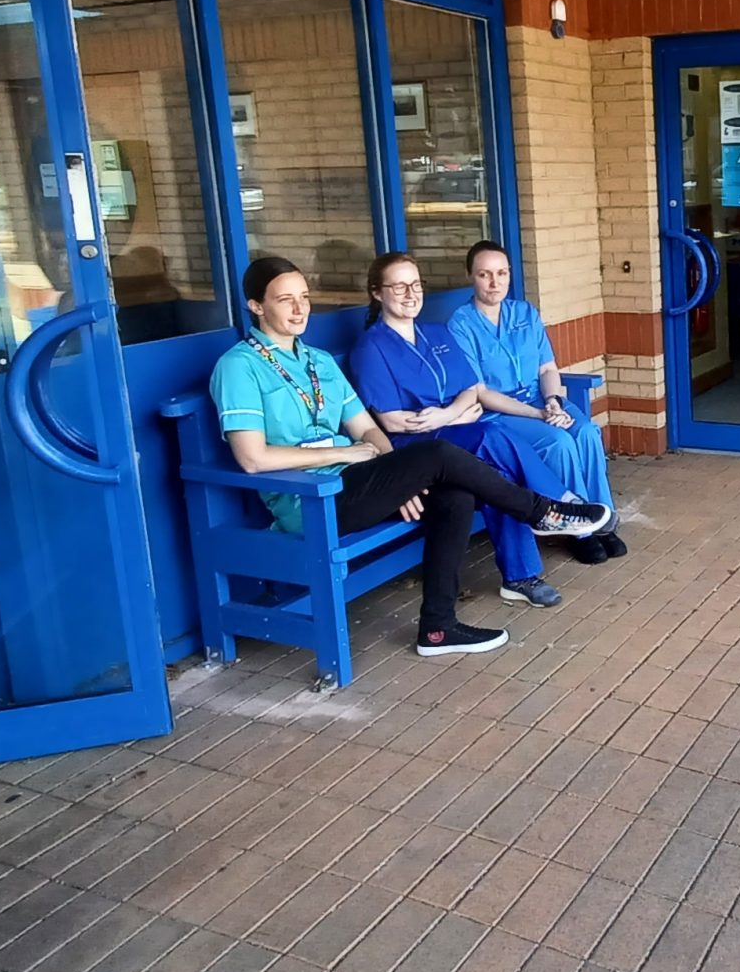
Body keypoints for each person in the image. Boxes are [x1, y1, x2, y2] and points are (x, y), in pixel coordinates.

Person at [208, 256, 613, 658]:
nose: (300, 309)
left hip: (358, 481)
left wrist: (396, 480)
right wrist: (350, 453)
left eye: (305, 297)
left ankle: (438, 628)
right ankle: (540, 510)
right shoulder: (239, 367)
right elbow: (253, 458)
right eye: (285, 300)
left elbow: (367, 430)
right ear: (257, 306)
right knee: (441, 452)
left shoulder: (318, 362)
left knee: (456, 495)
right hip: (310, 498)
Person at [348, 251, 604, 608]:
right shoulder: (372, 348)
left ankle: (519, 577)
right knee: (492, 436)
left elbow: (471, 390)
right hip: (414, 447)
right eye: (399, 286)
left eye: (416, 284)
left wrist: (448, 414)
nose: (411, 294)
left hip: (452, 428)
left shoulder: (435, 333)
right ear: (377, 293)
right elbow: (393, 421)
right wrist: (455, 417)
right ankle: (554, 504)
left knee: (492, 473)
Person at [447, 240, 623, 563]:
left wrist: (554, 401)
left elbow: (547, 368)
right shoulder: (461, 323)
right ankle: (578, 528)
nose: (494, 282)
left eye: (501, 273)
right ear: (471, 276)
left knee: (585, 433)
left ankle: (603, 520)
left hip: (541, 400)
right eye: (484, 274)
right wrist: (539, 414)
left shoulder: (525, 312)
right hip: (498, 412)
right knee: (558, 443)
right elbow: (481, 392)